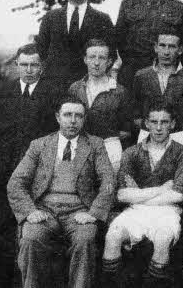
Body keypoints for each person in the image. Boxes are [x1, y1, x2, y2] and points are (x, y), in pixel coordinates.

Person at [7, 95, 116, 288]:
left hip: (79, 212)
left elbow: (108, 181)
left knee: (85, 239)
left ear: (84, 119)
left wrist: (93, 213)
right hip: (44, 211)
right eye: (67, 115)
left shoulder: (95, 145)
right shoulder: (39, 145)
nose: (73, 121)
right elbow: (16, 182)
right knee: (31, 238)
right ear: (58, 117)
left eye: (78, 116)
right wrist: (30, 211)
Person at [0, 43, 58, 288]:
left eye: (34, 64)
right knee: (0, 230)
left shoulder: (52, 94)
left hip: (36, 174)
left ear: (42, 66)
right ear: (16, 65)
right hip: (2, 172)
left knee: (32, 229)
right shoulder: (3, 92)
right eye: (24, 64)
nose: (29, 69)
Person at [101, 103, 183, 288]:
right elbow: (123, 194)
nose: (158, 127)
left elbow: (179, 195)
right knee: (113, 236)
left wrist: (139, 193)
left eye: (164, 122)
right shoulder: (132, 152)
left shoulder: (182, 152)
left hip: (168, 210)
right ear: (146, 124)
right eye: (154, 122)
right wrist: (162, 189)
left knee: (163, 238)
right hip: (135, 210)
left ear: (172, 124)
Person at [36, 0, 115, 91]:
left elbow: (111, 55)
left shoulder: (102, 20)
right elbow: (41, 51)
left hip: (89, 88)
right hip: (54, 88)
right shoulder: (50, 18)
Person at [115, 0, 183, 88]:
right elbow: (119, 40)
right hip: (133, 71)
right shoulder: (129, 5)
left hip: (168, 73)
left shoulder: (180, 8)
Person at [69, 39, 133, 171]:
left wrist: (106, 141)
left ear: (109, 61)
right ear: (85, 59)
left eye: (102, 58)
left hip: (110, 151)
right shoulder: (75, 88)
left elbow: (126, 131)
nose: (96, 63)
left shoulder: (119, 91)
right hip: (79, 149)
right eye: (92, 57)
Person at [132, 30, 183, 149]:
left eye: (172, 46)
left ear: (180, 50)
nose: (166, 52)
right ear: (155, 47)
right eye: (162, 45)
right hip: (149, 136)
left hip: (180, 137)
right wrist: (150, 128)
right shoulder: (142, 76)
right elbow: (135, 113)